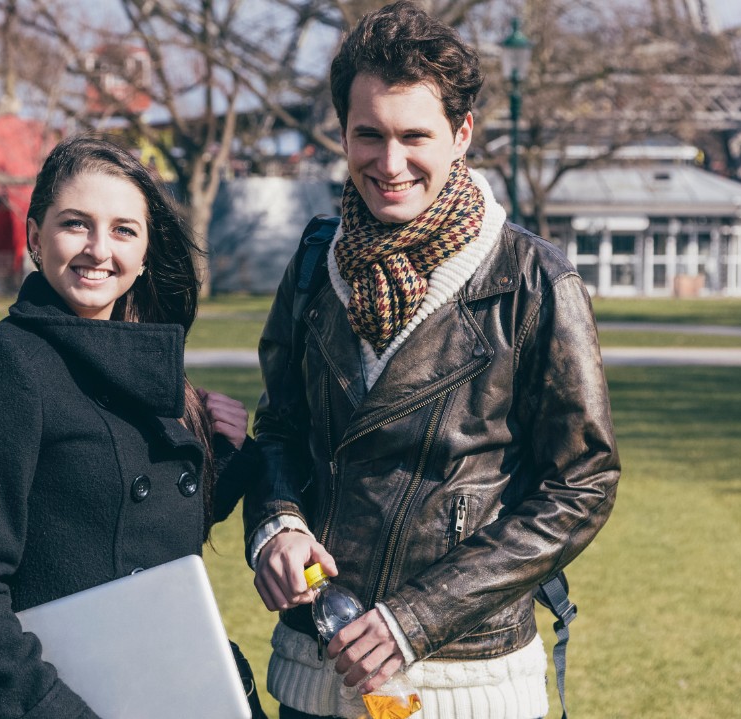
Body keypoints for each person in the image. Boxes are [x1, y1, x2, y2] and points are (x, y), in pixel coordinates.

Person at [244, 2, 621, 718]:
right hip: (314, 671)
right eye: (368, 135)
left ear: (461, 134)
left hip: (464, 682)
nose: (389, 164)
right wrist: (277, 525)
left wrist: (414, 617)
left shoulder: (536, 280)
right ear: (343, 134)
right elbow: (279, 431)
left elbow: (582, 484)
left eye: (414, 135)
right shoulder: (311, 265)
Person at [0, 134, 266, 718]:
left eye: (124, 230)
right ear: (34, 237)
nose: (98, 250)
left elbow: (124, 527)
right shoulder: (5, 369)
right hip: (72, 701)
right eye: (76, 224)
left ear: (147, 251)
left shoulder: (139, 356)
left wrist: (222, 457)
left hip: (181, 686)